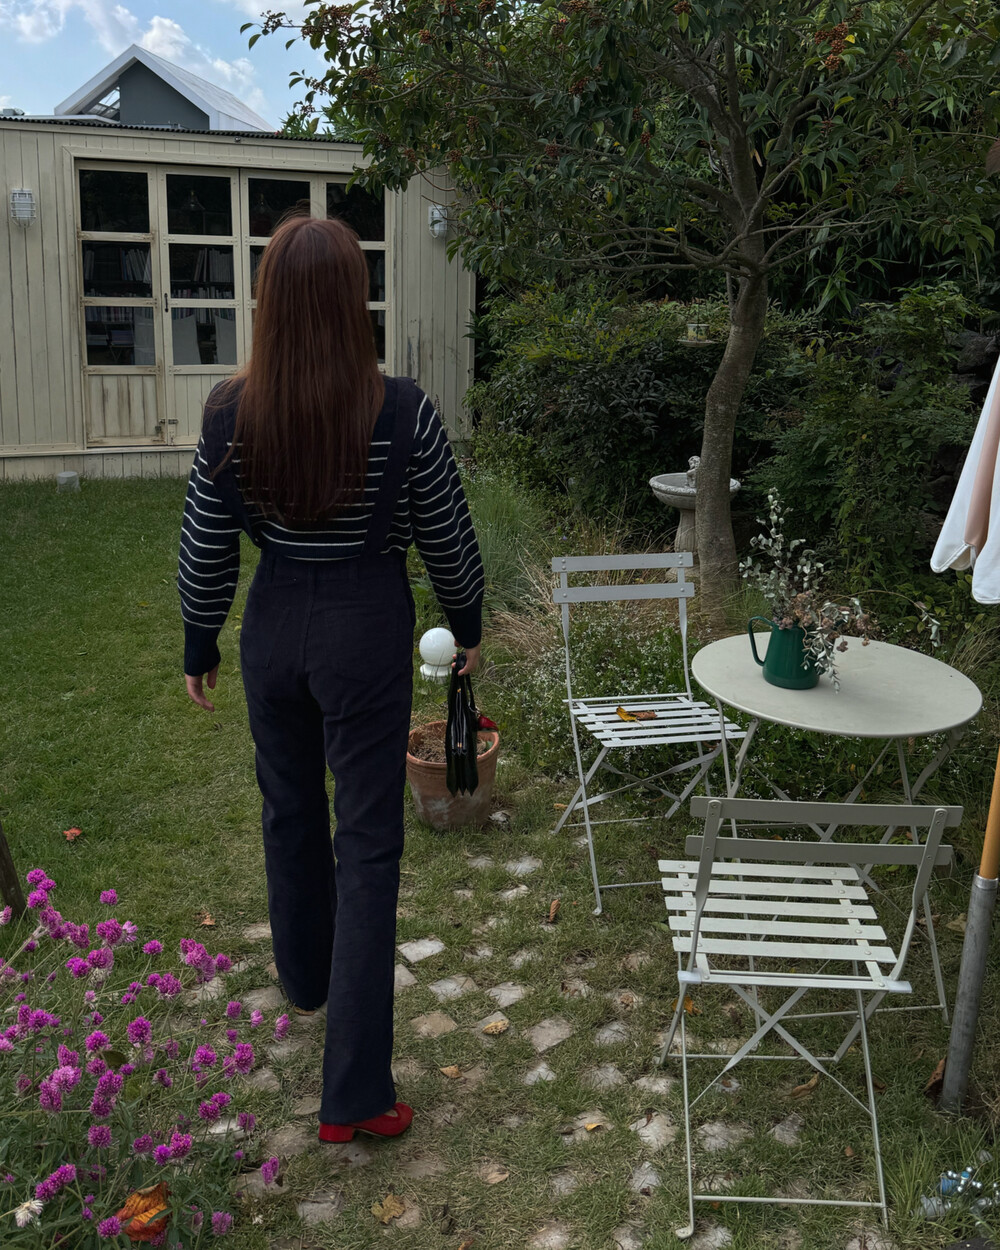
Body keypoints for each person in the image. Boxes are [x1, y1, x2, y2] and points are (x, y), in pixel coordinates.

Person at [177, 214, 484, 1144]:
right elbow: (445, 530)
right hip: (364, 626)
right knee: (369, 843)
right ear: (356, 300)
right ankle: (354, 1095)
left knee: (289, 811)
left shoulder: (230, 410)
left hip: (274, 625)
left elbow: (206, 539)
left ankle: (306, 979)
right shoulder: (401, 409)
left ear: (266, 302)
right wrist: (466, 623)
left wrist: (200, 640)